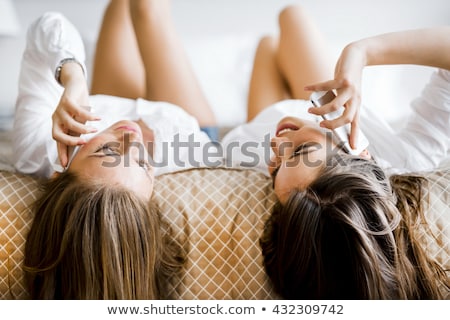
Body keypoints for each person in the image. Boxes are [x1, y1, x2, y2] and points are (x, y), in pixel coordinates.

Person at [221, 5, 450, 298]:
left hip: (260, 120)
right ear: (359, 153)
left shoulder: (304, 217)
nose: (276, 147)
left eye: (276, 169)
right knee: (291, 16)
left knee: (267, 45)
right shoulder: (406, 161)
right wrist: (362, 52)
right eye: (302, 150)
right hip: (321, 109)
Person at [14, 0, 219, 299]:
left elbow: (47, 25)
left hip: (108, 99)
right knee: (147, 9)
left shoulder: (36, 146)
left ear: (59, 175)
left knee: (119, 6)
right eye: (143, 163)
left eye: (107, 151)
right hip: (182, 119)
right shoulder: (192, 156)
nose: (132, 139)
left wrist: (73, 76)